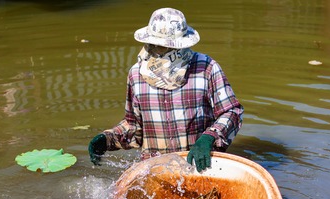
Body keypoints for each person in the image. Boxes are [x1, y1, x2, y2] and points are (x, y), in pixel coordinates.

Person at [88, 7, 244, 172]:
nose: (157, 49)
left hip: (200, 167)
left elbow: (232, 111)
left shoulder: (206, 68)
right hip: (155, 171)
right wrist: (108, 138)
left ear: (180, 46)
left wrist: (209, 137)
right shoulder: (137, 74)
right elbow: (134, 127)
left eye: (163, 46)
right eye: (154, 44)